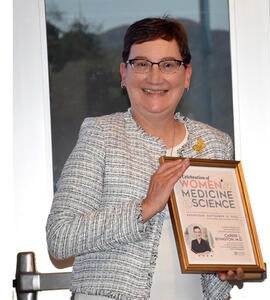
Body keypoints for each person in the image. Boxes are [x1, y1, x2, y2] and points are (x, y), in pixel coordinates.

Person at [46, 17, 242, 300]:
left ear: (186, 75)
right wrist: (145, 207)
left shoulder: (215, 144)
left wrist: (230, 265)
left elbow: (217, 243)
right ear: (124, 73)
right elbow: (60, 239)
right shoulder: (100, 135)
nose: (154, 77)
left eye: (168, 64)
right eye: (141, 64)